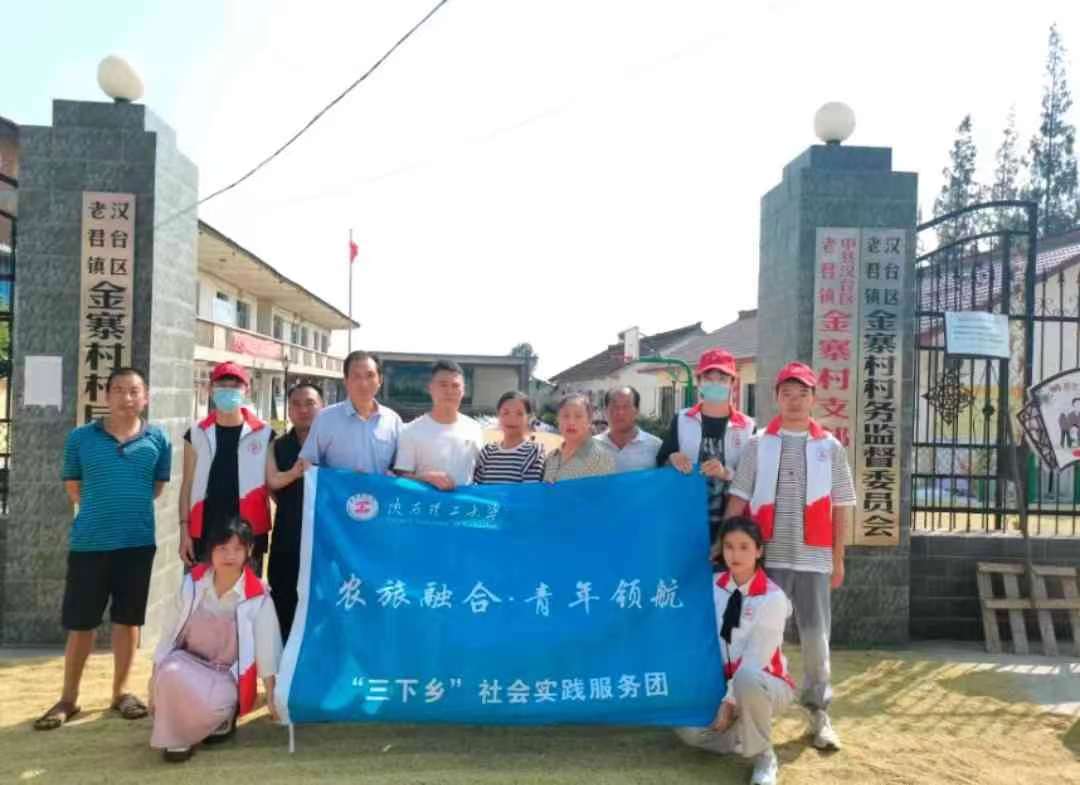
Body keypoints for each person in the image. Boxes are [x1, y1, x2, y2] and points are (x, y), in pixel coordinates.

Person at [725, 362, 856, 752]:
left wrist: (838, 558)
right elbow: (739, 497)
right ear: (776, 398)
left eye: (802, 394)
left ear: (814, 399)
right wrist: (723, 547)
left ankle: (819, 713)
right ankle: (752, 709)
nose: (795, 401)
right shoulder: (758, 444)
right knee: (759, 636)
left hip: (814, 560)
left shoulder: (829, 447)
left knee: (816, 638)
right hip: (768, 559)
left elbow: (841, 506)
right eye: (787, 394)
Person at [34, 368, 172, 731]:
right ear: (106, 395)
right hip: (90, 545)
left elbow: (156, 487)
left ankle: (121, 692)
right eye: (119, 390)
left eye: (134, 391)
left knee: (128, 620)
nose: (127, 397)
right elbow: (74, 488)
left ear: (145, 397)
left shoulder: (158, 439)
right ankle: (68, 698)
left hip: (137, 544)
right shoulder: (81, 438)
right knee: (81, 623)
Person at [149, 517, 282, 762]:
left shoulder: (259, 597)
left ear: (249, 551)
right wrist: (152, 683)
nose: (229, 555)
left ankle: (220, 719)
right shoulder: (191, 585)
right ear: (211, 550)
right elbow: (167, 635)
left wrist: (272, 696)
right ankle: (178, 738)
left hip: (225, 676)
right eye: (222, 548)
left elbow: (267, 651)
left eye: (237, 549)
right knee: (169, 673)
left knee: (213, 704)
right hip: (185, 664)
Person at [676, 517, 794, 785]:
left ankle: (764, 756)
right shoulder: (712, 586)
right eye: (729, 546)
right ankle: (740, 736)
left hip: (766, 685)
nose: (735, 554)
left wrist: (728, 704)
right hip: (720, 682)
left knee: (746, 678)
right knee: (689, 732)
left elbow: (755, 660)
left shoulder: (772, 598)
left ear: (759, 550)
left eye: (744, 547)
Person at [179, 362, 274, 573]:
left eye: (235, 386)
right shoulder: (196, 433)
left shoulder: (264, 433)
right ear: (210, 389)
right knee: (201, 592)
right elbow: (187, 485)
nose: (228, 391)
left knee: (246, 592)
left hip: (249, 532)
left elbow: (272, 481)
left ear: (247, 390)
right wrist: (184, 530)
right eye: (222, 385)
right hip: (204, 531)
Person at [657, 348, 755, 544]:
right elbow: (661, 463)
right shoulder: (682, 419)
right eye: (709, 378)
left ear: (733, 382)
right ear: (699, 381)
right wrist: (672, 458)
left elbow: (753, 479)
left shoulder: (747, 426)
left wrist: (725, 473)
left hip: (731, 526)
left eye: (722, 378)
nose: (715, 384)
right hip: (685, 523)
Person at [266, 382, 323, 641]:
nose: (303, 410)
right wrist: (295, 473)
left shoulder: (332, 445)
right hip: (287, 539)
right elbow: (271, 486)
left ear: (322, 407)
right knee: (283, 600)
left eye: (310, 403)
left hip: (325, 542)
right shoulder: (278, 446)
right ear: (288, 411)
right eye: (296, 405)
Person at [300, 350, 402, 473]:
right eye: (356, 376)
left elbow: (400, 468)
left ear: (380, 380)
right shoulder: (325, 418)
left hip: (379, 486)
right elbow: (307, 462)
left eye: (370, 375)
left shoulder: (393, 421)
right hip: (337, 486)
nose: (363, 383)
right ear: (346, 381)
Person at [395, 360, 484, 490]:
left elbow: (480, 473)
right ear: (430, 388)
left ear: (463, 391)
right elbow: (400, 479)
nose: (449, 391)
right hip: (426, 502)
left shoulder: (474, 428)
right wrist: (426, 478)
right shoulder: (410, 431)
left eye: (455, 386)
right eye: (443, 385)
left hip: (464, 502)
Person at [474, 391, 546, 484]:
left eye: (519, 414)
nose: (512, 419)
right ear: (498, 416)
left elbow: (529, 490)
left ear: (528, 418)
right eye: (506, 413)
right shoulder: (487, 452)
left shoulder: (534, 452)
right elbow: (478, 488)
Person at [543, 393, 616, 481]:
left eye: (578, 416)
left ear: (589, 420)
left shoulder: (601, 458)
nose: (571, 422)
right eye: (566, 416)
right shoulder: (551, 457)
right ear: (558, 419)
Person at [596, 386, 662, 472]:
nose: (620, 412)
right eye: (615, 407)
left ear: (637, 411)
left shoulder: (655, 447)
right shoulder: (590, 447)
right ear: (605, 411)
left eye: (626, 407)